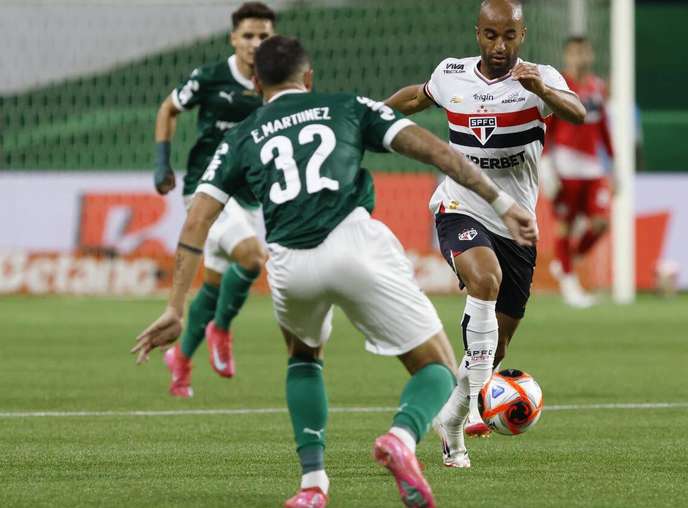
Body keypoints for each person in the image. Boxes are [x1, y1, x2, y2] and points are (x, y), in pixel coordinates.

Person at [133, 36, 537, 508]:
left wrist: (176, 307)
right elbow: (434, 151)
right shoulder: (346, 106)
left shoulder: (240, 136)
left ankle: (312, 485)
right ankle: (402, 439)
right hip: (353, 244)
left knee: (304, 358)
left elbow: (197, 219)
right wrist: (501, 202)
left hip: (288, 261)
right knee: (438, 369)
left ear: (257, 82)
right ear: (309, 78)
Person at [384, 0, 586, 467]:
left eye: (509, 36)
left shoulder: (541, 78)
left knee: (496, 344)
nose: (500, 46)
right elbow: (415, 98)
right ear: (478, 33)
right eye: (491, 35)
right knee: (484, 281)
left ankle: (452, 420)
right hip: (460, 205)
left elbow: (577, 113)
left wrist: (544, 91)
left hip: (516, 222)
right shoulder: (452, 74)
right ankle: (477, 402)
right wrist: (367, 119)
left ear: (523, 34)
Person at [152, 2, 276, 396]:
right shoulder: (209, 78)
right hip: (207, 190)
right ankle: (221, 330)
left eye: (264, 36)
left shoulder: (278, 81)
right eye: (249, 36)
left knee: (214, 284)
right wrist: (162, 163)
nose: (256, 43)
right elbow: (168, 109)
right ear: (233, 39)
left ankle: (181, 360)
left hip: (251, 195)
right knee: (253, 257)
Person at [544, 36, 614, 308]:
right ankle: (570, 288)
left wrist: (615, 164)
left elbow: (604, 127)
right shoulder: (558, 85)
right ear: (567, 56)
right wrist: (546, 166)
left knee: (601, 223)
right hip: (564, 165)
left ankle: (566, 264)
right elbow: (546, 125)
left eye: (584, 52)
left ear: (591, 54)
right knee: (565, 226)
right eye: (574, 53)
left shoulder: (597, 87)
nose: (580, 58)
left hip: (594, 167)